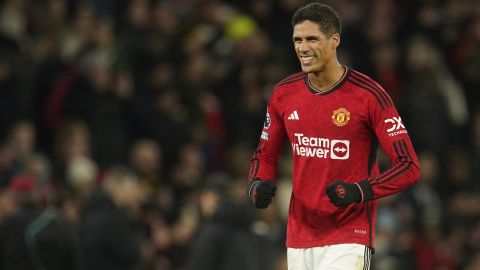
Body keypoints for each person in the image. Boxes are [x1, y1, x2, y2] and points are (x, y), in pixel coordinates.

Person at [246, 3, 420, 269]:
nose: (303, 48)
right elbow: (265, 154)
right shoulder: (284, 94)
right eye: (298, 40)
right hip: (299, 235)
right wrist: (257, 185)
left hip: (349, 233)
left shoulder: (369, 96)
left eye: (312, 39)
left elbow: (408, 166)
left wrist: (359, 191)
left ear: (334, 40)